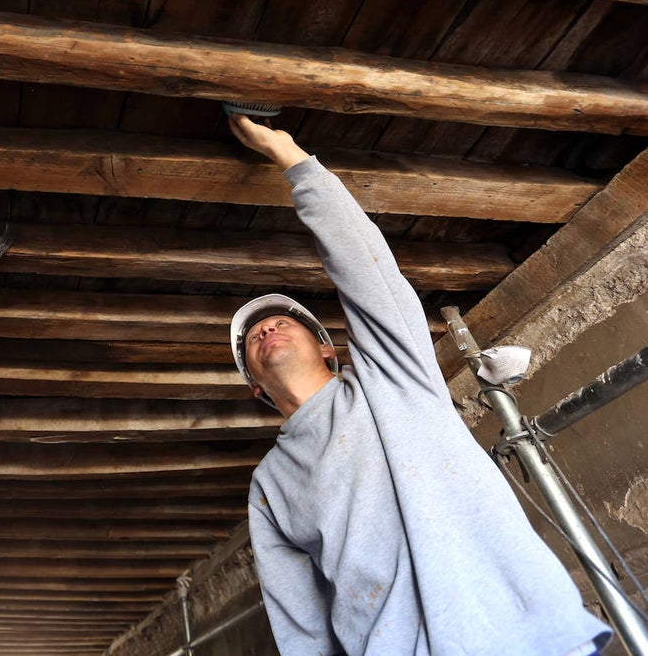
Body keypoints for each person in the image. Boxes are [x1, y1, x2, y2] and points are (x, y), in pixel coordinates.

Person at [226, 115, 612, 656]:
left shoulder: (393, 378)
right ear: (255, 386)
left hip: (517, 636)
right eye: (252, 336)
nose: (266, 328)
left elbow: (367, 275)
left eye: (282, 320)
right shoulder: (269, 485)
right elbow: (301, 619)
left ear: (328, 349)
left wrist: (293, 160)